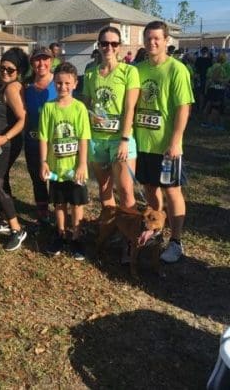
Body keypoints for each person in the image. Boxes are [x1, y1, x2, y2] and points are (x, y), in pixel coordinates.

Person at [135, 21, 194, 263]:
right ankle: (156, 230)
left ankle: (176, 241)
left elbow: (183, 108)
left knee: (172, 191)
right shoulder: (137, 69)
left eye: (157, 38)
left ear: (166, 40)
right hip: (143, 143)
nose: (152, 42)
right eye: (148, 38)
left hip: (166, 145)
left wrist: (176, 140)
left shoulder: (177, 69)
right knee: (150, 188)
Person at [82, 26, 140, 218]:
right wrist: (91, 115)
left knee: (125, 191)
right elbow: (85, 106)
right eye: (105, 43)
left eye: (114, 43)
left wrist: (124, 140)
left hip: (119, 139)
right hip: (97, 139)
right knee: (104, 188)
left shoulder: (129, 71)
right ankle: (110, 227)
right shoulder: (90, 73)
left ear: (119, 46)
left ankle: (129, 232)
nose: (109, 47)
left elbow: (130, 108)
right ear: (98, 46)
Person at [39, 62, 91, 260]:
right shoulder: (48, 108)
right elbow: (44, 137)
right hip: (56, 169)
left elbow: (83, 138)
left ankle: (76, 237)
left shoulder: (79, 108)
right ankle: (60, 234)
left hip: (75, 169)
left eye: (67, 83)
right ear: (54, 83)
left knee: (77, 204)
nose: (63, 87)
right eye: (59, 83)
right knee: (59, 203)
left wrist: (82, 164)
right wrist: (43, 161)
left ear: (75, 84)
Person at [0, 48, 29, 251]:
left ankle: (17, 229)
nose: (4, 71)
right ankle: (5, 219)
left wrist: (4, 138)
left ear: (18, 72)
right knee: (3, 180)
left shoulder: (13, 88)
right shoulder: (2, 85)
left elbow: (23, 119)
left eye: (10, 69)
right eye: (1, 67)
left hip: (7, 142)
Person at [24, 46, 57, 225]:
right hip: (33, 140)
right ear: (32, 63)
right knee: (37, 177)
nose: (41, 63)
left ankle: (59, 209)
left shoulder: (60, 83)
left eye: (45, 59)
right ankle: (43, 210)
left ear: (51, 61)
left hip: (55, 142)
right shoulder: (26, 87)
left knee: (57, 177)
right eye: (37, 59)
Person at [202, 52, 228, 130]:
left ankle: (207, 123)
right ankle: (212, 124)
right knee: (215, 107)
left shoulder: (213, 67)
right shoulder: (219, 67)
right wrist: (224, 81)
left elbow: (210, 79)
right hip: (217, 89)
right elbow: (215, 78)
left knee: (210, 106)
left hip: (213, 88)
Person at [195, 46, 212, 112]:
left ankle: (200, 107)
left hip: (200, 78)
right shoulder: (209, 60)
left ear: (201, 52)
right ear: (207, 52)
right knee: (205, 93)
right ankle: (204, 108)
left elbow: (196, 69)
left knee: (200, 93)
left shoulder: (198, 59)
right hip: (207, 78)